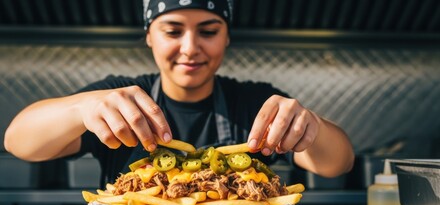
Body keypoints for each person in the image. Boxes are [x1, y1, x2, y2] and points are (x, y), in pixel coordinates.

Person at [4, 0, 354, 186]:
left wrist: (312, 125)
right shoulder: (117, 97)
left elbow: (337, 164)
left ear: (227, 36)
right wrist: (81, 107)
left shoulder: (254, 103)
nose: (190, 48)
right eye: (173, 31)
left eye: (208, 31)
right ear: (149, 36)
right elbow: (19, 142)